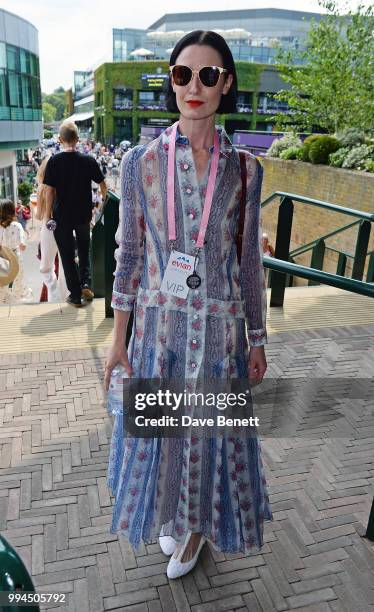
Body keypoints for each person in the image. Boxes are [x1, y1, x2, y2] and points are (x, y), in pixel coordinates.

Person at [104, 30, 272, 580]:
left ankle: (198, 528)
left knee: (206, 435)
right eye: (183, 75)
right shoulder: (140, 163)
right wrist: (117, 336)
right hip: (156, 330)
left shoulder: (246, 169)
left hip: (219, 337)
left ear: (225, 85)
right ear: (171, 83)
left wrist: (257, 339)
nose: (194, 86)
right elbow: (128, 251)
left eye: (207, 75)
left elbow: (249, 262)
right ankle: (175, 514)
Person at [43, 121, 107, 307]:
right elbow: (103, 185)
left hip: (61, 215)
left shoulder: (54, 161)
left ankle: (75, 295)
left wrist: (48, 216)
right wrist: (102, 208)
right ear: (78, 139)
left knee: (67, 254)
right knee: (85, 248)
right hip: (83, 214)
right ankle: (86, 282)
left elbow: (49, 192)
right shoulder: (88, 160)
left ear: (60, 139)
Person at [35, 155, 68, 303]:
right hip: (66, 226)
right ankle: (66, 295)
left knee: (46, 266)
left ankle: (53, 294)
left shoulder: (42, 188)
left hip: (48, 229)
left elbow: (39, 215)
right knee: (65, 263)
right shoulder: (66, 185)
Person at [0, 199, 32, 304]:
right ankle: (14, 302)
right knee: (17, 281)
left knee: (3, 281)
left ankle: (4, 301)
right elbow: (23, 245)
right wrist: (21, 244)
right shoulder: (17, 226)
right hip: (15, 257)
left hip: (3, 257)